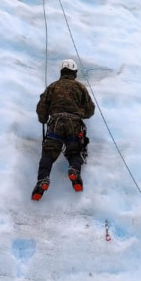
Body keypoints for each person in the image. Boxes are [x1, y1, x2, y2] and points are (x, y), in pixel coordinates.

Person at [33, 58, 95, 200]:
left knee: (48, 153)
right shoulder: (80, 88)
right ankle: (74, 169)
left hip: (56, 122)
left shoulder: (52, 87)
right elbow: (90, 110)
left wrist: (43, 119)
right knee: (75, 151)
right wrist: (80, 115)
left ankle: (42, 180)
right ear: (75, 72)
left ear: (61, 71)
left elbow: (41, 107)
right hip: (74, 123)